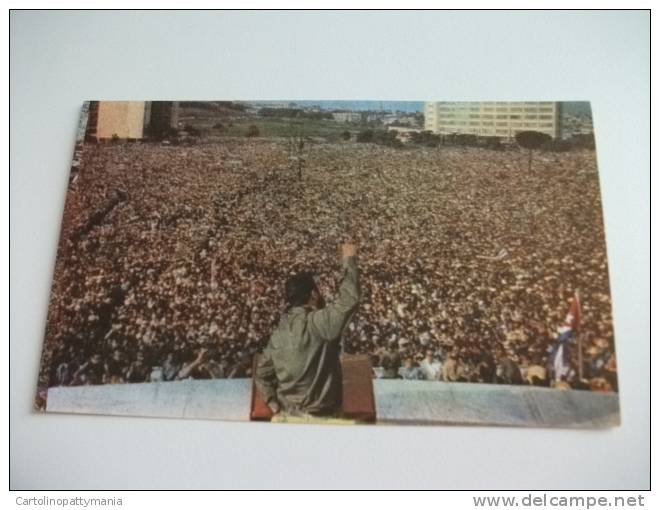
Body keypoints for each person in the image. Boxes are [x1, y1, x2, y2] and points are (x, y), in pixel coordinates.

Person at [255, 243, 359, 418]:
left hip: (286, 418)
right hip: (322, 419)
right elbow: (349, 299)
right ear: (313, 294)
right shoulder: (319, 323)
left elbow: (262, 375)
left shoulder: (277, 335)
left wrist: (274, 406)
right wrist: (349, 259)